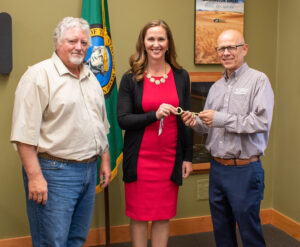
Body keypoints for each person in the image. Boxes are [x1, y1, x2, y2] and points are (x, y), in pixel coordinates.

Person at [10, 17, 111, 247]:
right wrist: (35, 177)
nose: (79, 47)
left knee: (76, 240)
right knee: (52, 242)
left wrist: (104, 159)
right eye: (72, 41)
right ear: (57, 42)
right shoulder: (38, 76)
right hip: (54, 174)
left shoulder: (91, 78)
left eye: (84, 42)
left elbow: (100, 124)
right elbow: (23, 134)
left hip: (88, 170)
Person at [182, 29, 274, 247]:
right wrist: (196, 122)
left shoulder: (259, 81)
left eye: (230, 47)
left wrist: (220, 118)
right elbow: (208, 128)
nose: (225, 53)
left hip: (244, 170)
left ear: (244, 49)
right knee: (222, 232)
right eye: (221, 48)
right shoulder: (216, 88)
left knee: (250, 234)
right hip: (218, 170)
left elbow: (260, 122)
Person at [117, 20, 193, 247]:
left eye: (161, 39)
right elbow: (123, 120)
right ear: (143, 43)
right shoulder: (130, 78)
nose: (156, 44)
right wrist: (154, 115)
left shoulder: (181, 75)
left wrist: (187, 156)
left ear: (168, 43)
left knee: (163, 215)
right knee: (139, 216)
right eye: (151, 39)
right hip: (139, 160)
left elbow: (186, 118)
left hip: (170, 158)